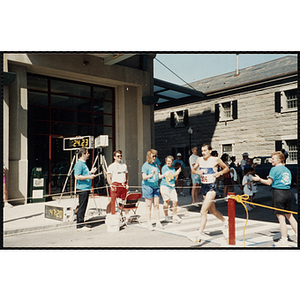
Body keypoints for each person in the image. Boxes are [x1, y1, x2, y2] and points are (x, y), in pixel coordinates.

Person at [252, 151, 298, 247]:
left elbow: (269, 182)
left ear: (279, 160)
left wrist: (259, 179)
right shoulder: (287, 169)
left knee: (281, 218)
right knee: (290, 216)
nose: (271, 160)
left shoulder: (274, 169)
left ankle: (284, 239)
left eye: (273, 159)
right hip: (288, 193)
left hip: (278, 193)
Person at [188, 143, 229, 243]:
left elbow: (226, 168)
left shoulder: (215, 159)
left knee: (203, 211)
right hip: (204, 187)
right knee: (213, 211)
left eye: (205, 151)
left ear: (210, 151)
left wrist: (219, 173)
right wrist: (197, 172)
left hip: (212, 187)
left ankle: (198, 236)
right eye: (202, 151)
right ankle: (225, 221)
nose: (203, 153)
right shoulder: (199, 160)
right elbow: (192, 170)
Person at [74, 148, 97, 231]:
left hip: (86, 188)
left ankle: (81, 222)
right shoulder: (79, 164)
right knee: (82, 206)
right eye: (87, 153)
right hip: (82, 188)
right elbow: (77, 176)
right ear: (83, 154)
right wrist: (89, 177)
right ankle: (79, 225)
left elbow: (84, 174)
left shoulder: (83, 164)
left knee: (83, 206)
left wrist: (91, 172)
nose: (89, 154)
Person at [142, 149, 163, 230]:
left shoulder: (156, 165)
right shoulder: (145, 165)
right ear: (149, 156)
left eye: (155, 156)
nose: (154, 158)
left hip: (155, 186)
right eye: (153, 156)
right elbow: (144, 177)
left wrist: (165, 174)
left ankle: (158, 222)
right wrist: (151, 175)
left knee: (156, 205)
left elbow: (159, 176)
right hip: (148, 186)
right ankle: (149, 223)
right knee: (148, 205)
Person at [106, 150, 129, 218]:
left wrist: (127, 184)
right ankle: (108, 215)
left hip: (123, 184)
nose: (120, 157)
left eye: (121, 156)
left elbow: (126, 176)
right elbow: (108, 177)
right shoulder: (111, 166)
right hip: (115, 184)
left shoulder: (124, 166)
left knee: (124, 201)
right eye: (118, 156)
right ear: (114, 157)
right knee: (111, 201)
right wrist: (111, 185)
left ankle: (126, 215)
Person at [160, 155, 182, 223]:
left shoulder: (172, 168)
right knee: (166, 201)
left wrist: (177, 174)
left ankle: (174, 215)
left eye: (170, 161)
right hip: (165, 186)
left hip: (172, 187)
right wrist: (177, 173)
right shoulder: (164, 168)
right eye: (167, 161)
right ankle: (166, 216)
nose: (168, 162)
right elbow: (170, 176)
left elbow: (175, 179)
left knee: (175, 201)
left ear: (172, 162)